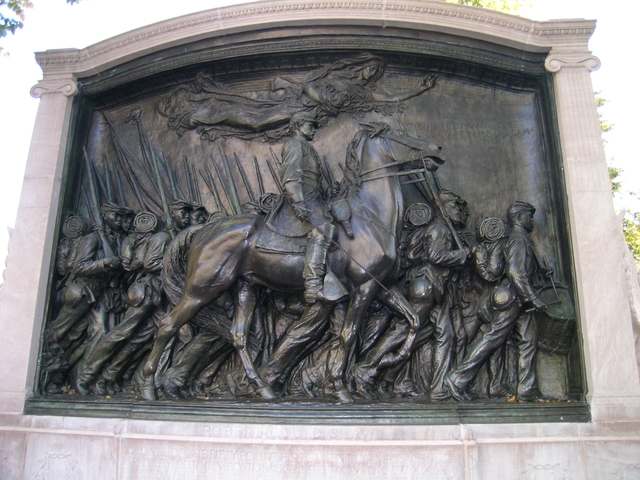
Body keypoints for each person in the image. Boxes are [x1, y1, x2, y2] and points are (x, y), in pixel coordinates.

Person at [158, 54, 436, 142]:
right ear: (361, 66)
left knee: (257, 121)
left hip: (310, 119)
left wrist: (420, 89)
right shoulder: (335, 77)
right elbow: (309, 87)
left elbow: (390, 96)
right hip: (297, 108)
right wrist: (326, 102)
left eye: (375, 72)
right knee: (256, 122)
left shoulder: (362, 93)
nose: (370, 74)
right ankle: (200, 115)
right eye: (369, 68)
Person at [354, 192, 471, 400]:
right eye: (455, 207)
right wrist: (463, 255)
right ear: (443, 208)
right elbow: (435, 256)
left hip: (436, 290)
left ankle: (426, 387)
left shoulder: (444, 230)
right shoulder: (439, 228)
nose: (460, 212)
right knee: (403, 330)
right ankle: (366, 369)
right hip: (425, 287)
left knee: (443, 335)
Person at [445, 201, 550, 402]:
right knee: (491, 339)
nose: (532, 222)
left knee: (528, 341)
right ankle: (457, 378)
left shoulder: (519, 239)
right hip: (514, 298)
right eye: (529, 217)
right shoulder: (517, 240)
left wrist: (542, 273)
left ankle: (527, 389)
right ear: (519, 218)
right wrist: (532, 297)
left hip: (520, 300)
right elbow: (515, 271)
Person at [279, 113, 343, 304]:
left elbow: (311, 181)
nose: (313, 130)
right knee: (323, 231)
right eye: (310, 125)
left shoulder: (307, 147)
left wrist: (327, 193)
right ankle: (313, 285)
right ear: (298, 125)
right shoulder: (295, 145)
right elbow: (291, 177)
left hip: (313, 200)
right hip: (300, 202)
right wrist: (298, 202)